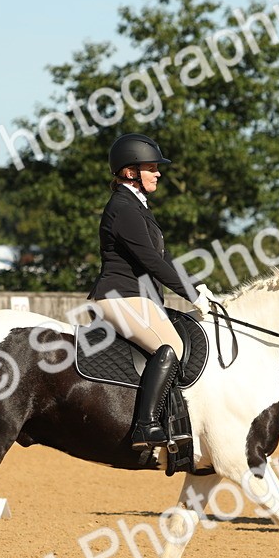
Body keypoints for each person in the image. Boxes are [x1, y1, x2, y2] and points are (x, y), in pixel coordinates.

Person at [87, 133, 215, 449]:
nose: (158, 173)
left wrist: (196, 285)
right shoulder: (124, 208)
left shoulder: (137, 207)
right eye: (151, 167)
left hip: (136, 298)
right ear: (131, 172)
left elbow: (163, 257)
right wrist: (193, 297)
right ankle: (146, 426)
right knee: (170, 346)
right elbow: (150, 261)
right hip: (119, 297)